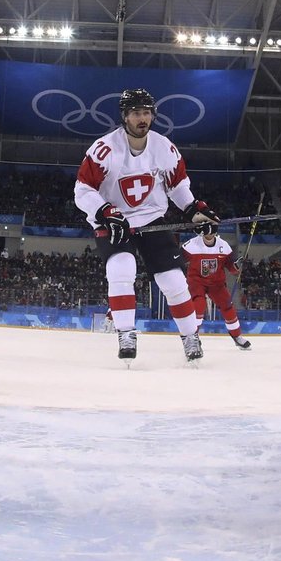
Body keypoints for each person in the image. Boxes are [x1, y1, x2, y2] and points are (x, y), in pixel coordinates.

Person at [74, 88, 220, 363]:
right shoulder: (103, 149)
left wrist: (193, 211)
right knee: (121, 268)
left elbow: (177, 186)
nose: (142, 118)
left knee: (173, 279)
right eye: (136, 113)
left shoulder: (164, 148)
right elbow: (82, 190)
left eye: (146, 113)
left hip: (152, 216)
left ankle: (191, 338)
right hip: (114, 219)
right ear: (125, 116)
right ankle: (126, 333)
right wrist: (105, 211)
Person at [181, 226, 251, 349]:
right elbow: (179, 260)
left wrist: (237, 266)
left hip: (217, 283)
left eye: (212, 232)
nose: (209, 235)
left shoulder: (224, 246)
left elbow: (231, 267)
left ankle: (237, 336)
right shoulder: (191, 245)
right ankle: (193, 337)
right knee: (198, 306)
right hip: (197, 281)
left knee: (227, 306)